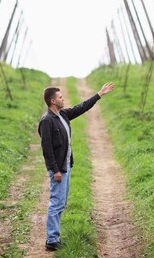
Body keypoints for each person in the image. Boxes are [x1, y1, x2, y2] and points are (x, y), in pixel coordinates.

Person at [38, 82, 115, 251]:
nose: (63, 99)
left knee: (61, 202)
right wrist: (55, 170)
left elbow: (82, 107)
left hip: (66, 166)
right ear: (52, 101)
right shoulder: (47, 121)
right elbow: (47, 150)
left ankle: (54, 237)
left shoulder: (63, 115)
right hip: (58, 169)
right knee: (56, 203)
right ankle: (51, 240)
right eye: (60, 97)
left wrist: (99, 94)